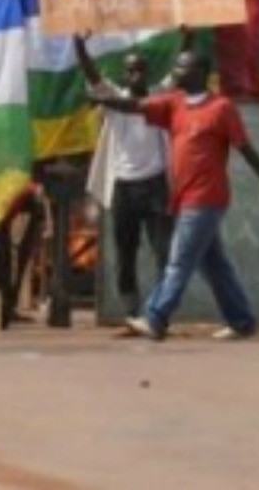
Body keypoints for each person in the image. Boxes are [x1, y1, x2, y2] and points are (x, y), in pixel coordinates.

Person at [91, 51, 259, 342]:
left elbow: (245, 147)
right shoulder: (174, 104)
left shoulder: (221, 108)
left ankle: (156, 317)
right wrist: (104, 101)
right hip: (182, 197)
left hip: (206, 197)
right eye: (176, 66)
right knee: (215, 265)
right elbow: (134, 105)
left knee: (178, 260)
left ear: (200, 72)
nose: (176, 71)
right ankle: (242, 320)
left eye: (182, 66)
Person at [74, 30, 185, 323]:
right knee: (126, 253)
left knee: (163, 250)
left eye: (139, 70)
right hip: (124, 186)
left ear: (146, 74)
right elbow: (93, 77)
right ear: (125, 74)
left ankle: (159, 310)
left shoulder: (160, 98)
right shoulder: (115, 98)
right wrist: (79, 45)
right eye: (130, 70)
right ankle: (130, 309)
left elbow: (177, 74)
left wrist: (188, 37)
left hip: (156, 184)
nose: (135, 74)